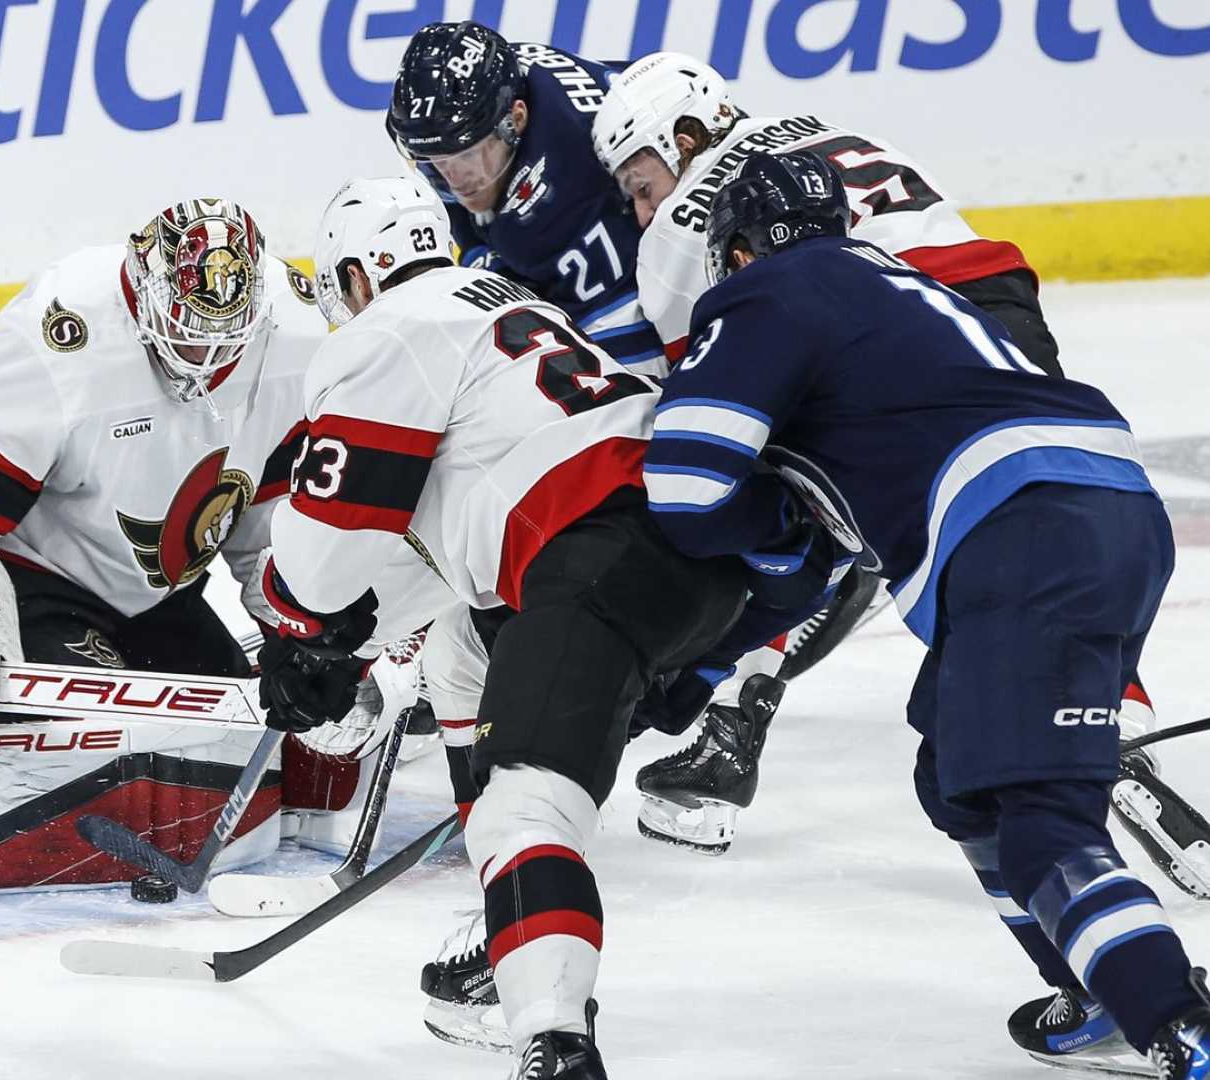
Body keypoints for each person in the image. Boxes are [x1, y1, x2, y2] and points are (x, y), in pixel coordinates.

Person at [648, 148, 1208, 1079]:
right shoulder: (891, 292)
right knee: (954, 772)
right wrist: (698, 674)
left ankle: (1177, 1022)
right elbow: (811, 564)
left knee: (1043, 824)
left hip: (1023, 528)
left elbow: (684, 485)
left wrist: (765, 518)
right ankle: (1105, 992)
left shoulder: (773, 288)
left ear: (738, 252)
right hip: (1105, 506)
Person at [0, 198, 437, 910]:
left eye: (226, 340)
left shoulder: (298, 335)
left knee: (231, 740)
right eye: (186, 336)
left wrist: (301, 627)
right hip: (36, 581)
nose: (207, 357)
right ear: (145, 292)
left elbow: (275, 511)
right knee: (92, 749)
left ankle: (303, 798)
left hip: (162, 594)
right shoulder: (65, 336)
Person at [591, 50, 1157, 849]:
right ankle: (1113, 699)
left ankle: (731, 735)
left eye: (642, 184)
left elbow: (722, 396)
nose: (646, 211)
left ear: (683, 136)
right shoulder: (829, 131)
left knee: (786, 512)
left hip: (882, 359)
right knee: (1023, 529)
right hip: (992, 319)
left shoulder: (705, 209)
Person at [257, 174, 746, 1078]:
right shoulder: (506, 307)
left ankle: (549, 1036)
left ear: (359, 278)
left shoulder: (389, 329)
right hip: (696, 556)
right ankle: (504, 927)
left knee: (524, 810)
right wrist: (348, 647)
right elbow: (444, 541)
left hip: (597, 562)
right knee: (458, 651)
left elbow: (331, 543)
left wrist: (296, 627)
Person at [386, 21, 660, 374]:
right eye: (436, 163)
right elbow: (458, 196)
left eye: (467, 156)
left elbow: (628, 354)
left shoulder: (568, 177)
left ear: (516, 120)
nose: (454, 179)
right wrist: (482, 258)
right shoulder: (445, 124)